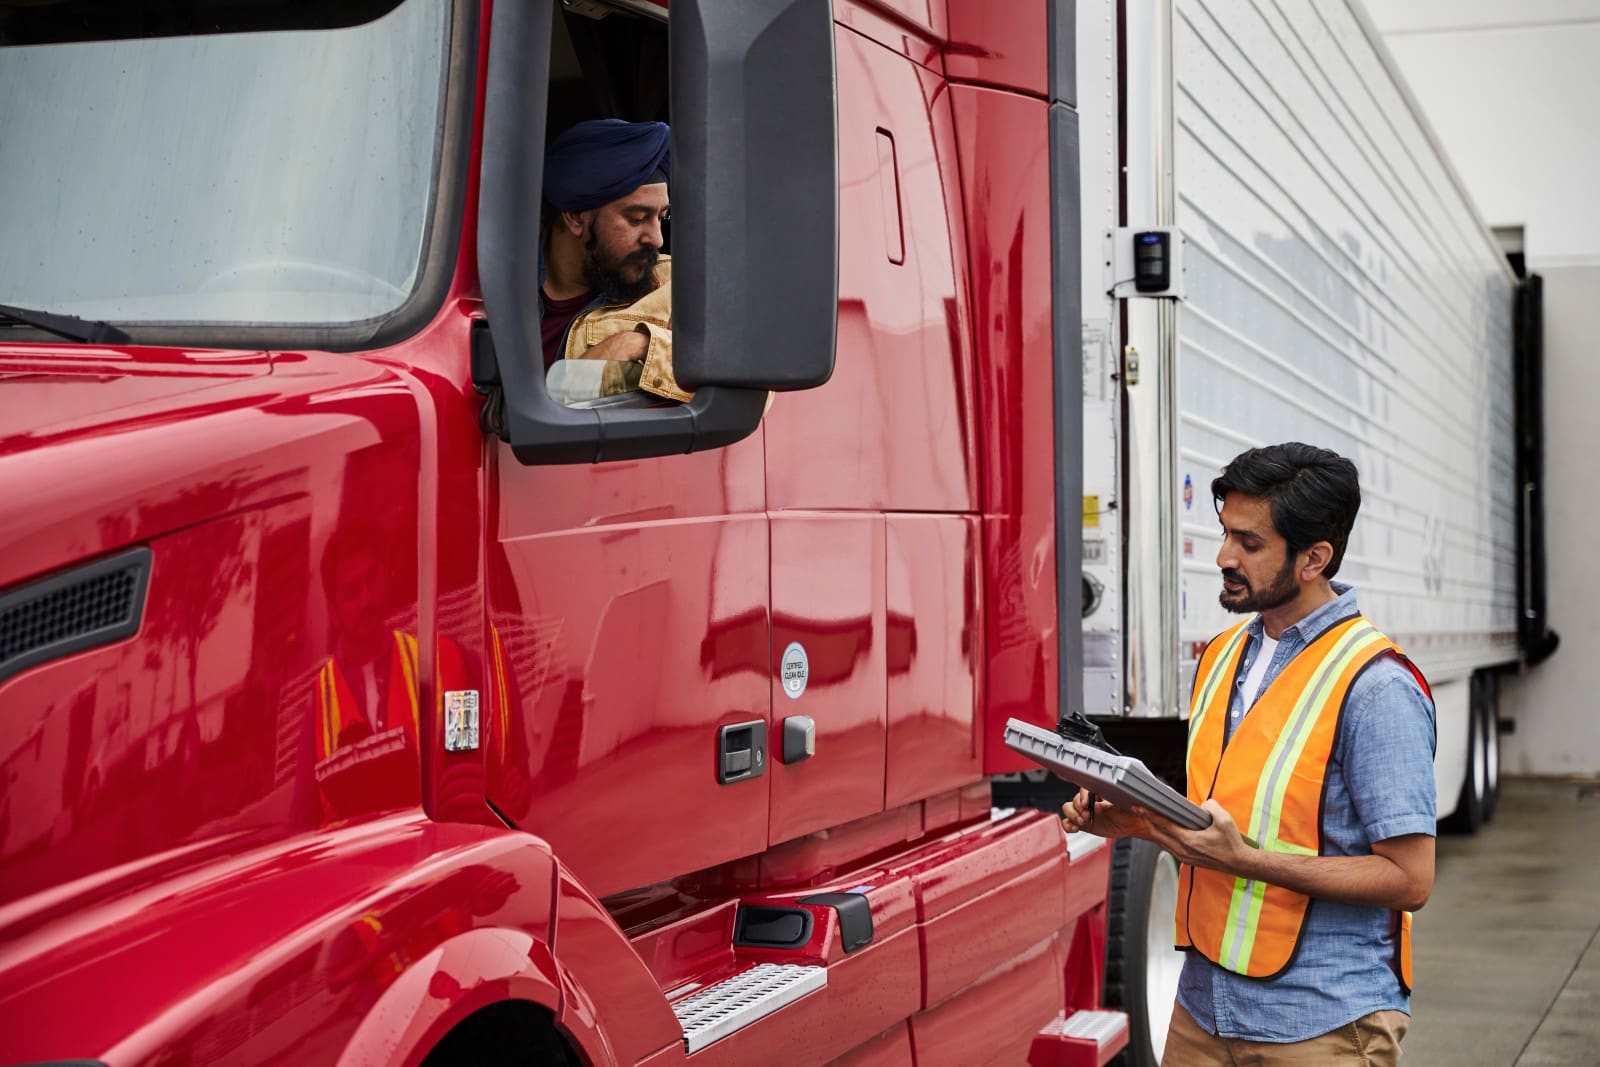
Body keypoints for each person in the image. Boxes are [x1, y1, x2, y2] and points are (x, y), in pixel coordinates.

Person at [1063, 442, 1436, 1066]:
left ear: (1315, 558)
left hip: (1322, 1024)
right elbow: (1226, 816)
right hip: (1203, 1010)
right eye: (1224, 534)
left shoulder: (1376, 686)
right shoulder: (1221, 655)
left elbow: (1409, 879)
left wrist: (1247, 861)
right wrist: (1143, 821)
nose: (1223, 557)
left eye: (1249, 543)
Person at [539, 118, 689, 403]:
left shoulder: (677, 288)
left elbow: (746, 371)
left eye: (661, 217)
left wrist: (637, 344)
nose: (657, 239)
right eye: (637, 218)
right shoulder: (486, 291)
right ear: (574, 215)